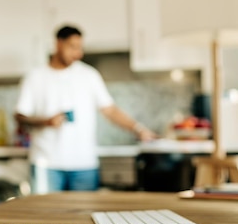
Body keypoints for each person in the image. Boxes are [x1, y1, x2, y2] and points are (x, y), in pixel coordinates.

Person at [14, 25, 155, 193]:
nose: (78, 53)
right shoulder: (35, 77)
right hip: (46, 164)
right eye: (73, 47)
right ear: (58, 44)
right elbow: (20, 117)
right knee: (46, 217)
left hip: (84, 164)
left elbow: (110, 110)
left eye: (80, 48)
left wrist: (138, 129)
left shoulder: (89, 75)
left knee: (83, 216)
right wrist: (47, 121)